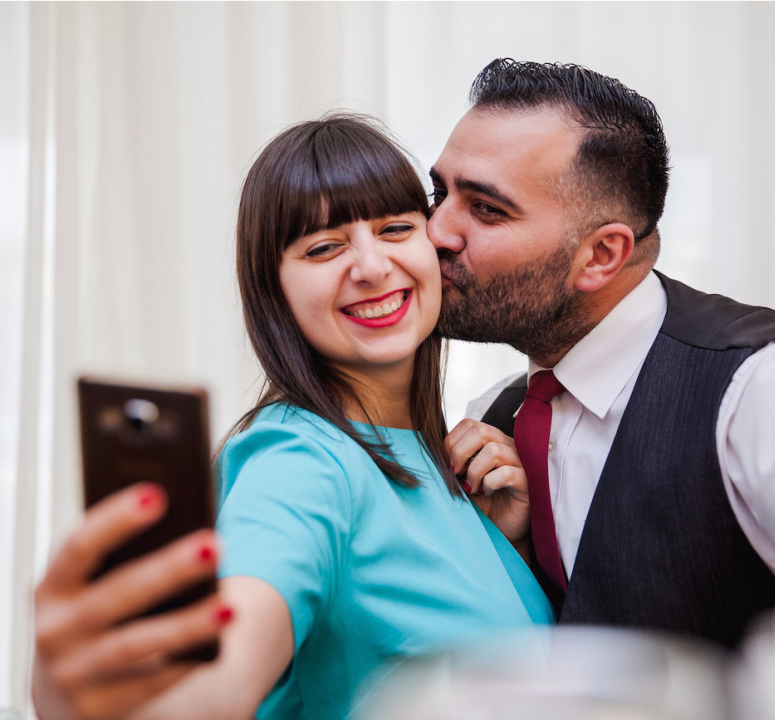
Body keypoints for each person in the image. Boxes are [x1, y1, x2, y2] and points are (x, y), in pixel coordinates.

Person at [31, 114, 552, 720]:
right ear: (274, 290)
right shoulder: (299, 457)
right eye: (324, 248)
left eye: (395, 228)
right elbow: (234, 650)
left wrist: (508, 544)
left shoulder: (440, 460)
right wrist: (113, 697)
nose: (372, 266)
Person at [432, 59, 775, 647]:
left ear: (602, 255)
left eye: (485, 208)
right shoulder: (497, 418)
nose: (435, 231)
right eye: (440, 192)